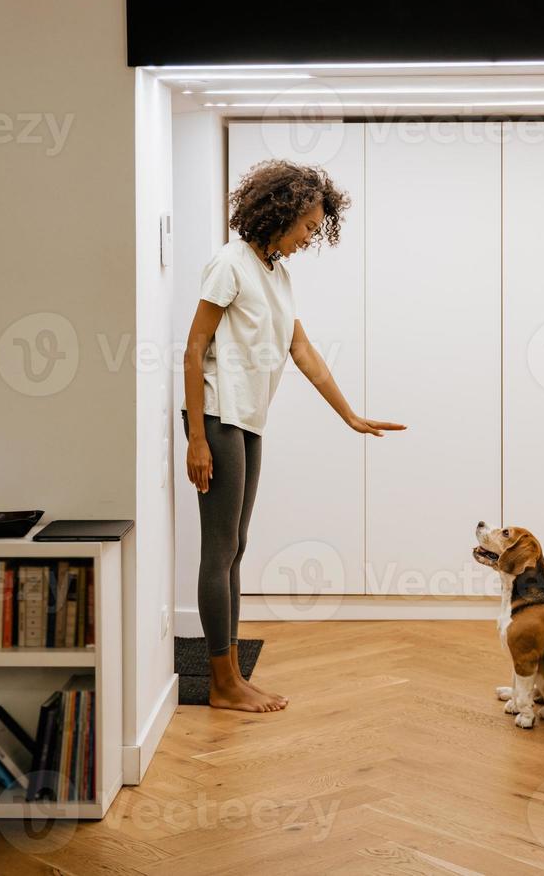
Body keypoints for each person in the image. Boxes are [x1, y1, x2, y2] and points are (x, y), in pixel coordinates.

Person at [183, 160, 405, 712]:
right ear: (278, 212)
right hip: (217, 416)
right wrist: (195, 438)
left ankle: (230, 674)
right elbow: (192, 349)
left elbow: (299, 349)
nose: (310, 237)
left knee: (236, 547)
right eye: (307, 225)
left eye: (314, 227)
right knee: (220, 549)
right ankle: (222, 681)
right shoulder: (229, 265)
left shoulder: (277, 274)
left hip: (249, 418)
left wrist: (350, 415)